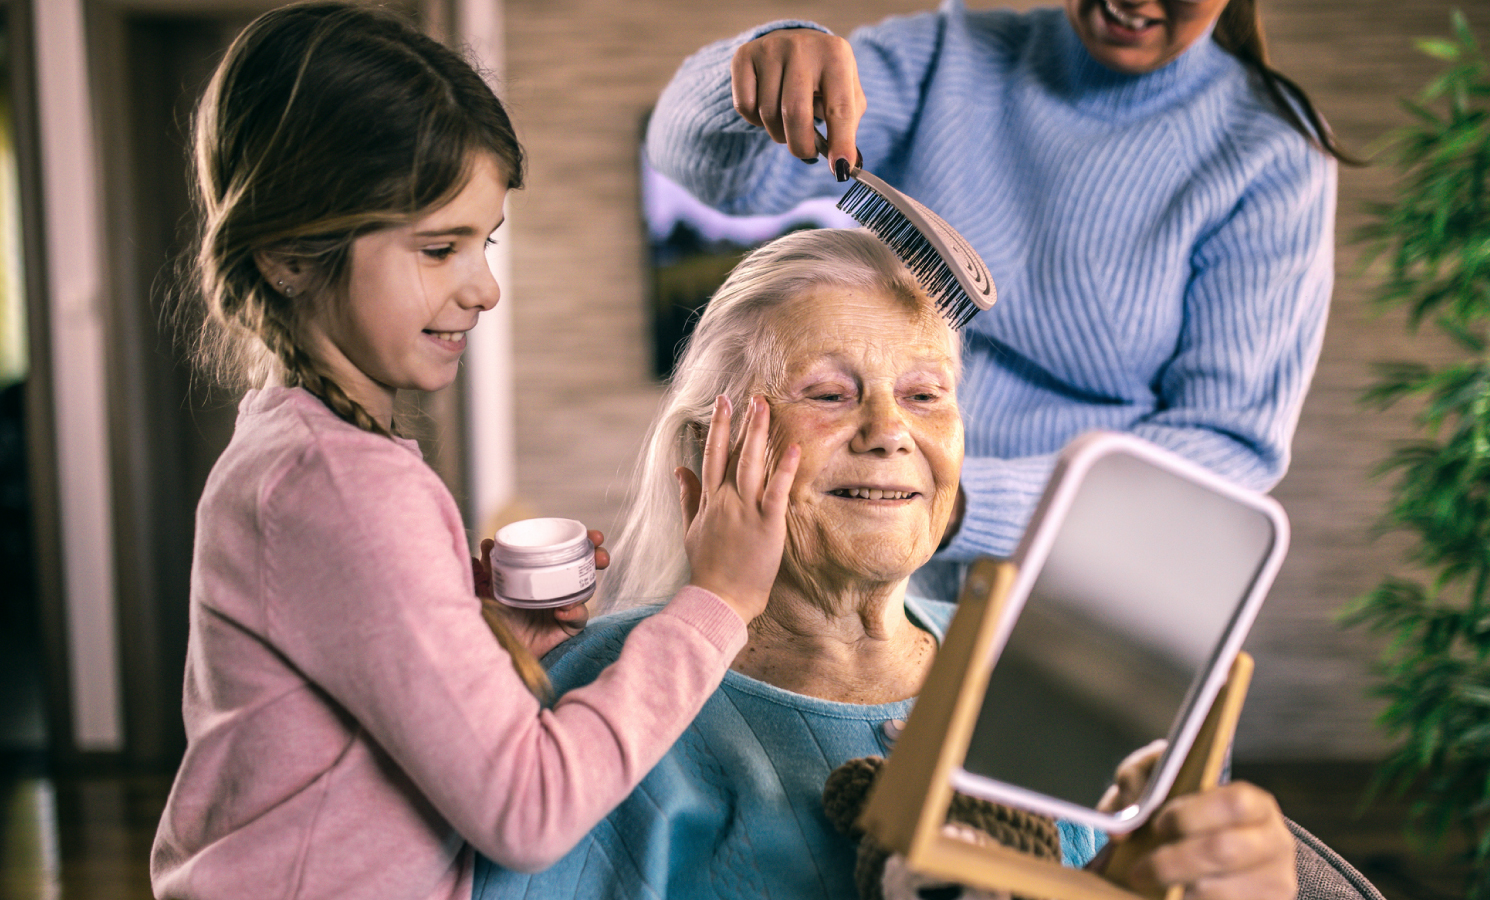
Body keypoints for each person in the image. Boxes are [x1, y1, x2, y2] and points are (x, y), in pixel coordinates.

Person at [149, 5, 800, 899]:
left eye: (483, 242)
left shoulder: (294, 448)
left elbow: (350, 727)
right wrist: (717, 601)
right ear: (288, 256)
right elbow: (530, 811)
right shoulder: (344, 484)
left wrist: (477, 634)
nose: (484, 286)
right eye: (438, 247)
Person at [473, 228, 1297, 900]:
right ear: (710, 454)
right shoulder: (595, 699)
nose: (887, 430)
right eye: (829, 394)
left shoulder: (1044, 670)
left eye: (926, 394)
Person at [646, 0, 1342, 598]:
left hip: (1093, 595)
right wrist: (759, 64)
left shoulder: (1272, 150)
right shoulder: (947, 60)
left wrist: (953, 503)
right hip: (872, 567)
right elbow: (710, 172)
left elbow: (1226, 449)